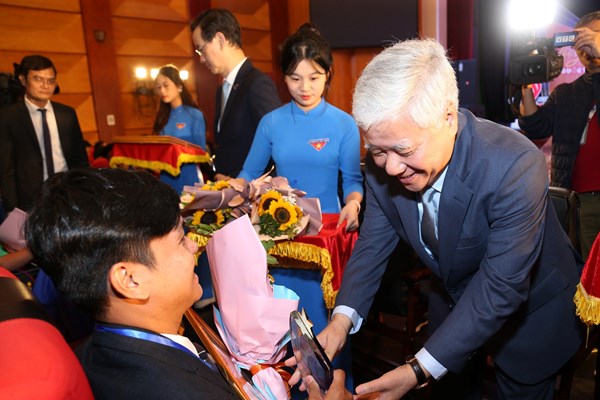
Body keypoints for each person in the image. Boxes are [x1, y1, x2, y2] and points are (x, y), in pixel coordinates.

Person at [304, 38, 584, 400]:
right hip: (453, 300)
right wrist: (341, 321)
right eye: (376, 150)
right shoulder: (382, 167)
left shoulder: (514, 164)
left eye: (403, 149)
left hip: (530, 314)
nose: (390, 167)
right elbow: (372, 245)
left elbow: (500, 287)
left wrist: (417, 369)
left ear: (448, 118)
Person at [24, 168, 237, 399]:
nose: (193, 246)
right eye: (180, 239)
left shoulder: (94, 354)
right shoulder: (187, 393)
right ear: (130, 280)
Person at [238, 24, 363, 230]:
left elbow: (352, 181)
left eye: (314, 78)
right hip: (281, 228)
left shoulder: (344, 123)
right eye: (295, 78)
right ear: (284, 77)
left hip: (329, 226)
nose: (305, 88)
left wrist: (353, 204)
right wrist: (227, 191)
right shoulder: (271, 122)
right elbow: (249, 173)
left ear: (328, 74)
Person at [519, 11, 600, 260]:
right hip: (576, 199)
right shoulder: (567, 93)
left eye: (594, 36)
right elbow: (536, 127)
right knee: (584, 268)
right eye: (580, 40)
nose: (587, 45)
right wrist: (526, 84)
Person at [190, 8, 281, 180]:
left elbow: (278, 144)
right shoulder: (222, 90)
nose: (201, 59)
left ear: (219, 40)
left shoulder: (256, 84)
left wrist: (245, 183)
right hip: (228, 190)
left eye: (201, 50)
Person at [0, 55, 89, 212]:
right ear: (23, 80)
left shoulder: (67, 114)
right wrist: (12, 207)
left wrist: (84, 191)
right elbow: (6, 168)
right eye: (38, 79)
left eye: (51, 81)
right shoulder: (8, 116)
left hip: (68, 193)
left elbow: (80, 159)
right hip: (29, 199)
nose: (45, 86)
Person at [153, 64, 207, 191]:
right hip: (166, 178)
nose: (162, 91)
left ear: (179, 86)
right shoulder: (161, 117)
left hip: (189, 177)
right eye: (158, 87)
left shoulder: (195, 115)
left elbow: (201, 151)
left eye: (166, 85)